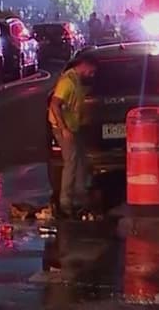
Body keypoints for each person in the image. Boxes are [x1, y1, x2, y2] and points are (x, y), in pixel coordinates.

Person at [48, 57, 97, 217]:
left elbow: (75, 104)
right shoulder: (67, 81)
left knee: (81, 161)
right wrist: (64, 130)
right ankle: (66, 204)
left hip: (73, 127)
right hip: (64, 129)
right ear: (85, 65)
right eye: (92, 70)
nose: (92, 74)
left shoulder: (76, 80)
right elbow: (55, 104)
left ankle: (80, 199)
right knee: (72, 162)